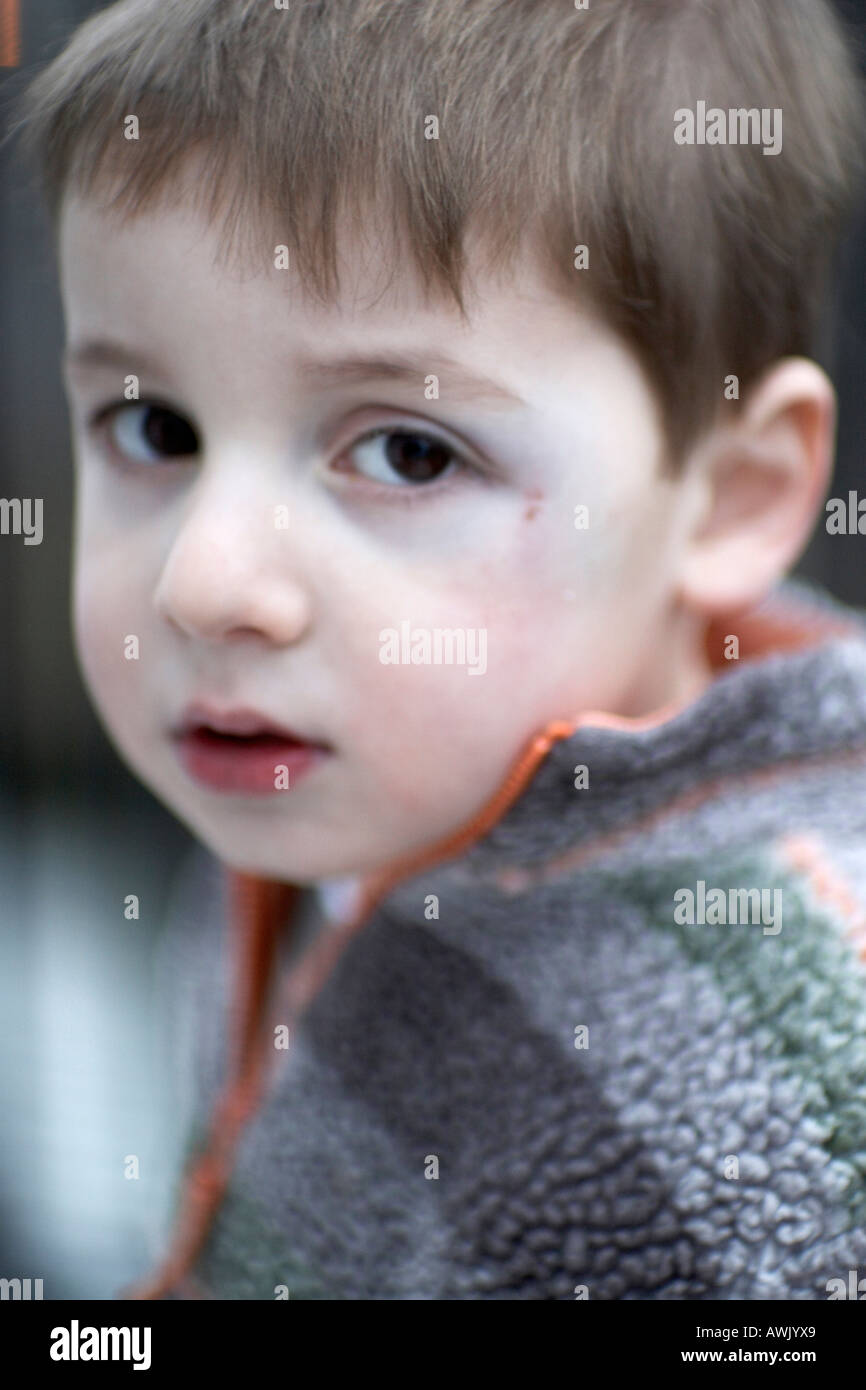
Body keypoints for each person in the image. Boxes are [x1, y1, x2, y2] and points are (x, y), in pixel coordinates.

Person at [10, 0, 866, 1298]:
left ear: (730, 495)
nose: (205, 580)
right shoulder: (320, 803)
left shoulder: (750, 1124)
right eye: (154, 427)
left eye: (407, 451)